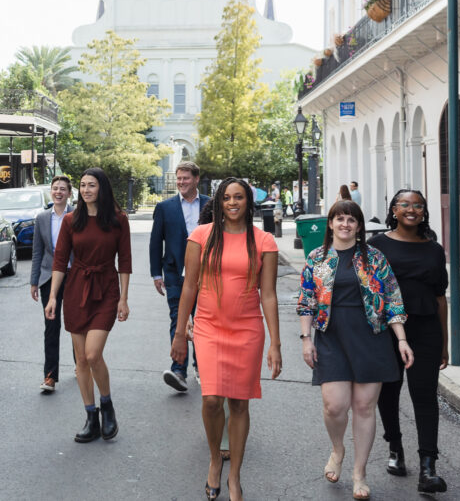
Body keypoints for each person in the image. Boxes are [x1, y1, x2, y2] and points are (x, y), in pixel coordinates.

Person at [171, 178, 281, 501]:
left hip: (247, 329)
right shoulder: (201, 237)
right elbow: (188, 286)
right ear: (219, 203)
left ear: (249, 202)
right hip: (208, 327)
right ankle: (215, 458)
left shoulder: (264, 241)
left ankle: (234, 475)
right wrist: (180, 333)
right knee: (211, 400)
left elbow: (269, 295)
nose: (233, 203)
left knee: (239, 403)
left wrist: (276, 342)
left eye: (239, 197)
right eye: (227, 198)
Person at [297, 199, 414, 501]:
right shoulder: (317, 257)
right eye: (340, 219)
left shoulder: (374, 257)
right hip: (331, 336)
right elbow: (307, 300)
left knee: (364, 407)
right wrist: (306, 339)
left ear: (359, 227)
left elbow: (392, 298)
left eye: (351, 220)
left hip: (370, 338)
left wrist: (401, 339)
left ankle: (359, 472)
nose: (345, 224)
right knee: (334, 405)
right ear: (331, 224)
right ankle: (338, 449)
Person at [370, 189, 449, 494]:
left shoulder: (434, 249)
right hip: (387, 331)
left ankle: (428, 466)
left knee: (425, 396)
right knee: (387, 393)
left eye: (418, 205)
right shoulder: (377, 246)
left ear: (424, 211)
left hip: (426, 329)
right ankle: (395, 448)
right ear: (393, 209)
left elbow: (441, 298)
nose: (411, 209)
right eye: (404, 204)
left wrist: (445, 343)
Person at [45, 168, 132, 443]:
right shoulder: (72, 220)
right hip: (76, 290)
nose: (85, 190)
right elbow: (60, 260)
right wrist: (52, 297)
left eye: (91, 185)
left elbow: (125, 261)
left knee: (93, 355)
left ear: (102, 188)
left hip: (105, 289)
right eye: (82, 185)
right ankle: (90, 416)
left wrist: (124, 298)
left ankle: (107, 405)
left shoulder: (118, 220)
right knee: (81, 359)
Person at [149, 160, 209, 392]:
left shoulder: (210, 205)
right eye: (179, 178)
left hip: (205, 274)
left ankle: (201, 366)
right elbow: (156, 241)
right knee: (179, 319)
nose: (181, 182)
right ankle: (179, 370)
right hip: (174, 272)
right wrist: (156, 273)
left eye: (186, 178)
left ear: (196, 179)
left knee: (202, 320)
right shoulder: (165, 207)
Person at [30, 175, 74, 392]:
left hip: (74, 276)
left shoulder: (77, 216)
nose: (58, 192)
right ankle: (50, 376)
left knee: (77, 324)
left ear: (69, 193)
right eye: (55, 188)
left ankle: (81, 365)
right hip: (48, 277)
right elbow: (37, 251)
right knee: (51, 326)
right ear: (51, 191)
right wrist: (34, 281)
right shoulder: (42, 218)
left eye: (63, 189)